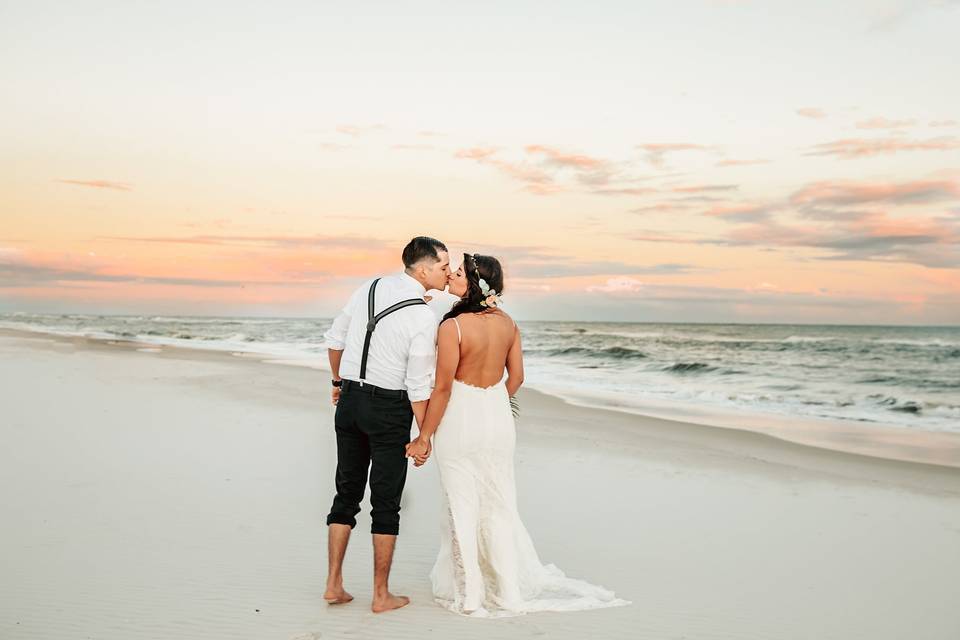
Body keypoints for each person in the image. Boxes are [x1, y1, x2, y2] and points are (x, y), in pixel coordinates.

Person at [406, 253, 630, 617]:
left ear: (475, 285)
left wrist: (424, 436)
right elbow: (518, 378)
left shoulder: (453, 328)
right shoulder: (508, 324)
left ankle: (471, 596)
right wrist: (493, 401)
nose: (452, 277)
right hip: (497, 421)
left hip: (460, 419)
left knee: (461, 504)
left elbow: (443, 389)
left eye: (459, 273)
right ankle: (507, 590)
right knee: (497, 503)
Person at [322, 236, 450, 613]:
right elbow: (417, 384)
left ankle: (333, 584)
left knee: (346, 494)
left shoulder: (371, 286)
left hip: (349, 400)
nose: (447, 273)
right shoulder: (422, 317)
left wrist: (337, 383)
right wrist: (424, 436)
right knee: (386, 505)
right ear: (424, 269)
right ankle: (381, 595)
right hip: (389, 409)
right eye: (444, 267)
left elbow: (335, 338)